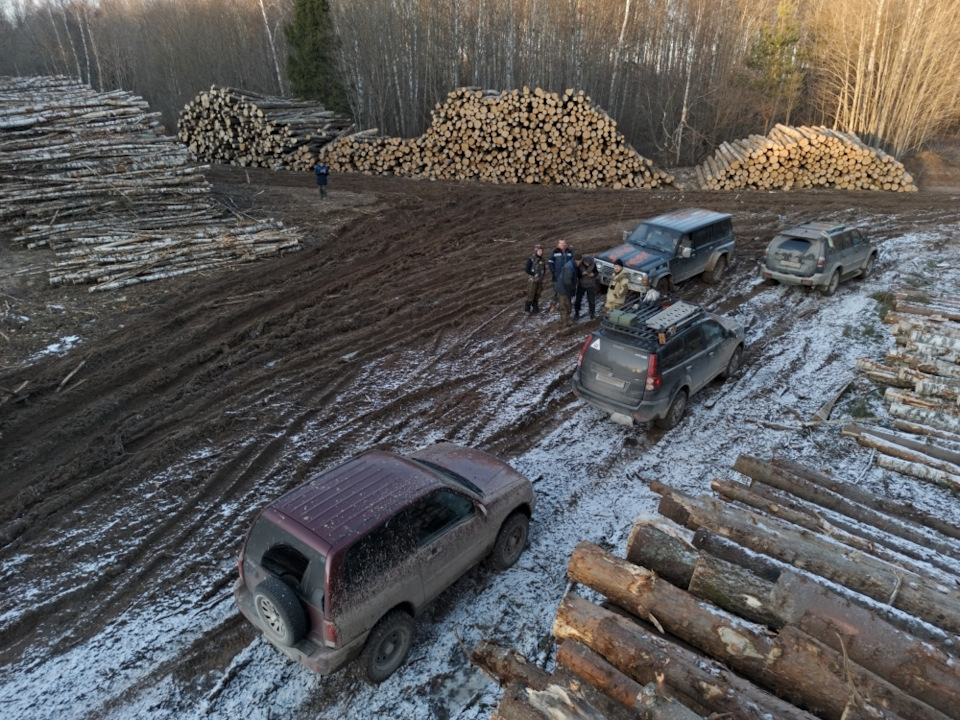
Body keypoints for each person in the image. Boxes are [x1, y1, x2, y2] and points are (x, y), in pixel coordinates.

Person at [547, 239, 574, 312]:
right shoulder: (554, 252)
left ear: (566, 244)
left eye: (564, 243)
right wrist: (553, 271)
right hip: (557, 275)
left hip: (567, 275)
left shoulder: (570, 252)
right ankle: (553, 305)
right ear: (558, 244)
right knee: (555, 291)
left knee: (566, 291)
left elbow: (573, 262)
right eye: (561, 243)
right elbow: (550, 262)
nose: (563, 244)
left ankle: (566, 305)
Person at [556, 253, 582, 327]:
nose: (580, 263)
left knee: (565, 305)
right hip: (564, 290)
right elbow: (567, 281)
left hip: (564, 289)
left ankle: (564, 319)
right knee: (566, 306)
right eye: (580, 261)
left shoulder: (571, 264)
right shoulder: (570, 267)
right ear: (577, 260)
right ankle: (566, 322)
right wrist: (571, 290)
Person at [524, 244, 547, 314]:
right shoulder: (531, 259)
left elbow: (544, 268)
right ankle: (527, 309)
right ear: (536, 251)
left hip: (540, 280)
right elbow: (527, 269)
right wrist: (533, 274)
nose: (541, 252)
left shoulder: (542, 259)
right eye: (539, 251)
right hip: (533, 281)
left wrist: (542, 275)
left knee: (537, 294)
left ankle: (535, 308)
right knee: (531, 294)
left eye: (541, 251)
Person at [575, 255, 598, 320]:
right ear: (584, 261)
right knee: (578, 300)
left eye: (589, 263)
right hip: (581, 285)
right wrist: (581, 274)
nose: (588, 264)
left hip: (591, 285)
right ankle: (577, 313)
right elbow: (576, 274)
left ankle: (592, 313)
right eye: (587, 263)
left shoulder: (593, 264)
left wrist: (594, 274)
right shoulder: (579, 265)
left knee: (591, 300)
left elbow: (596, 272)